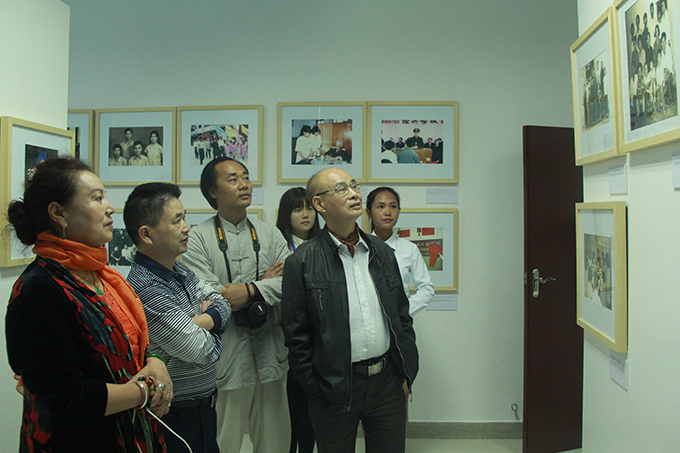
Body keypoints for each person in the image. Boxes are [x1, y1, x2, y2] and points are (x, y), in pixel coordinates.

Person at [5, 157, 170, 452]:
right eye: (97, 198)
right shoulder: (37, 291)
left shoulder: (101, 275)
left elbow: (131, 343)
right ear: (59, 213)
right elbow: (69, 397)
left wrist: (155, 361)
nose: (110, 207)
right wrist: (145, 390)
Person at [281, 168, 418, 453]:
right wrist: (316, 389)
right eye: (342, 189)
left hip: (387, 383)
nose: (354, 194)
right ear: (319, 204)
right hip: (333, 387)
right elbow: (296, 336)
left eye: (354, 186)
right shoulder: (302, 262)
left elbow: (401, 316)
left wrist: (405, 372)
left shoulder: (381, 251)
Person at [182, 156, 292, 453]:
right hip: (227, 357)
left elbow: (291, 283)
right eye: (233, 179)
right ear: (212, 191)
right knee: (222, 442)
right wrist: (263, 285)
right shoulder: (197, 239)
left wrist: (251, 290)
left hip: (270, 353)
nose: (244, 184)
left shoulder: (270, 233)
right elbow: (207, 295)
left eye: (245, 177)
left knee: (275, 443)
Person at [125, 182, 231, 453]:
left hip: (204, 408)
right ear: (146, 234)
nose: (186, 228)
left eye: (185, 218)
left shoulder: (180, 270)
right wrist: (211, 321)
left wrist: (202, 321)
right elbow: (202, 350)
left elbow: (222, 302)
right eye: (177, 220)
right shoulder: (146, 288)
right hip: (174, 415)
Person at [275, 187, 320, 453]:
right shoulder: (279, 247)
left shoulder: (324, 245)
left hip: (318, 341)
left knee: (312, 414)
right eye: (297, 209)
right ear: (286, 214)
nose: (305, 215)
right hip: (287, 341)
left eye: (309, 208)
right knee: (289, 412)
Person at [366, 187, 434, 316]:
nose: (387, 212)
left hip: (399, 323)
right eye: (381, 207)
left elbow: (426, 289)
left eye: (393, 206)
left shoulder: (409, 249)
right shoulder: (360, 247)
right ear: (369, 213)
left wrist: (403, 312)